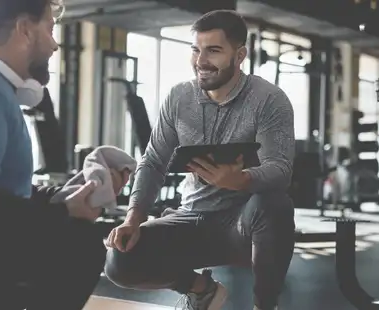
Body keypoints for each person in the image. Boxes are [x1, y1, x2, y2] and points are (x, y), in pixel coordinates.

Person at [104, 10, 296, 310]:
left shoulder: (268, 99)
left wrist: (241, 179)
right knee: (120, 258)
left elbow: (281, 169)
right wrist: (133, 218)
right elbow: (153, 161)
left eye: (214, 50)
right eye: (196, 49)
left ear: (240, 54)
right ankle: (202, 291)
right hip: (191, 216)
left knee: (275, 205)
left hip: (242, 226)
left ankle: (265, 305)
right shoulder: (179, 97)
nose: (201, 61)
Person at [0, 1, 127, 309]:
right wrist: (62, 213)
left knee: (75, 232)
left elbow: (2, 192)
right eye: (50, 29)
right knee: (80, 242)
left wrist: (64, 196)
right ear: (24, 29)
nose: (55, 44)